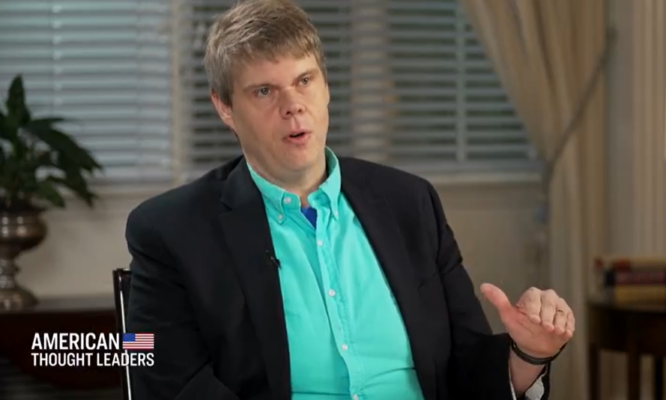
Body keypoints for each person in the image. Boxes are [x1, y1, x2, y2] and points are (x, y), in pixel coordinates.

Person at [124, 0, 574, 399]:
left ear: (326, 87)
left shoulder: (410, 204)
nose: (292, 105)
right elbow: (169, 383)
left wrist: (528, 354)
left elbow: (468, 369)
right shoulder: (170, 232)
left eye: (304, 80)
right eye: (264, 91)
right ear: (225, 108)